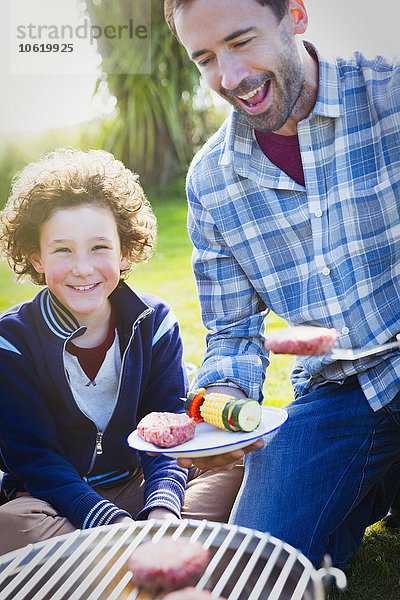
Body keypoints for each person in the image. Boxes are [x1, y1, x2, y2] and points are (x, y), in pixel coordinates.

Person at [164, 0, 400, 567]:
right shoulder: (211, 180)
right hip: (337, 392)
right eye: (206, 58)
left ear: (294, 15)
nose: (230, 78)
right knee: (256, 564)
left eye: (242, 41)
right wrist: (224, 405)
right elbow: (229, 334)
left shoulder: (388, 96)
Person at [0, 147, 243, 555]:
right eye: (62, 250)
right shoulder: (12, 341)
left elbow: (163, 428)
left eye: (99, 247)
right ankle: (156, 555)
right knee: (11, 526)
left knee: (240, 464)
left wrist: (163, 508)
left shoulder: (154, 323)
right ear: (35, 257)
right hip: (54, 504)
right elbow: (35, 459)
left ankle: (139, 551)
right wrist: (109, 522)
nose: (82, 268)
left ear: (125, 251)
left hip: (138, 487)